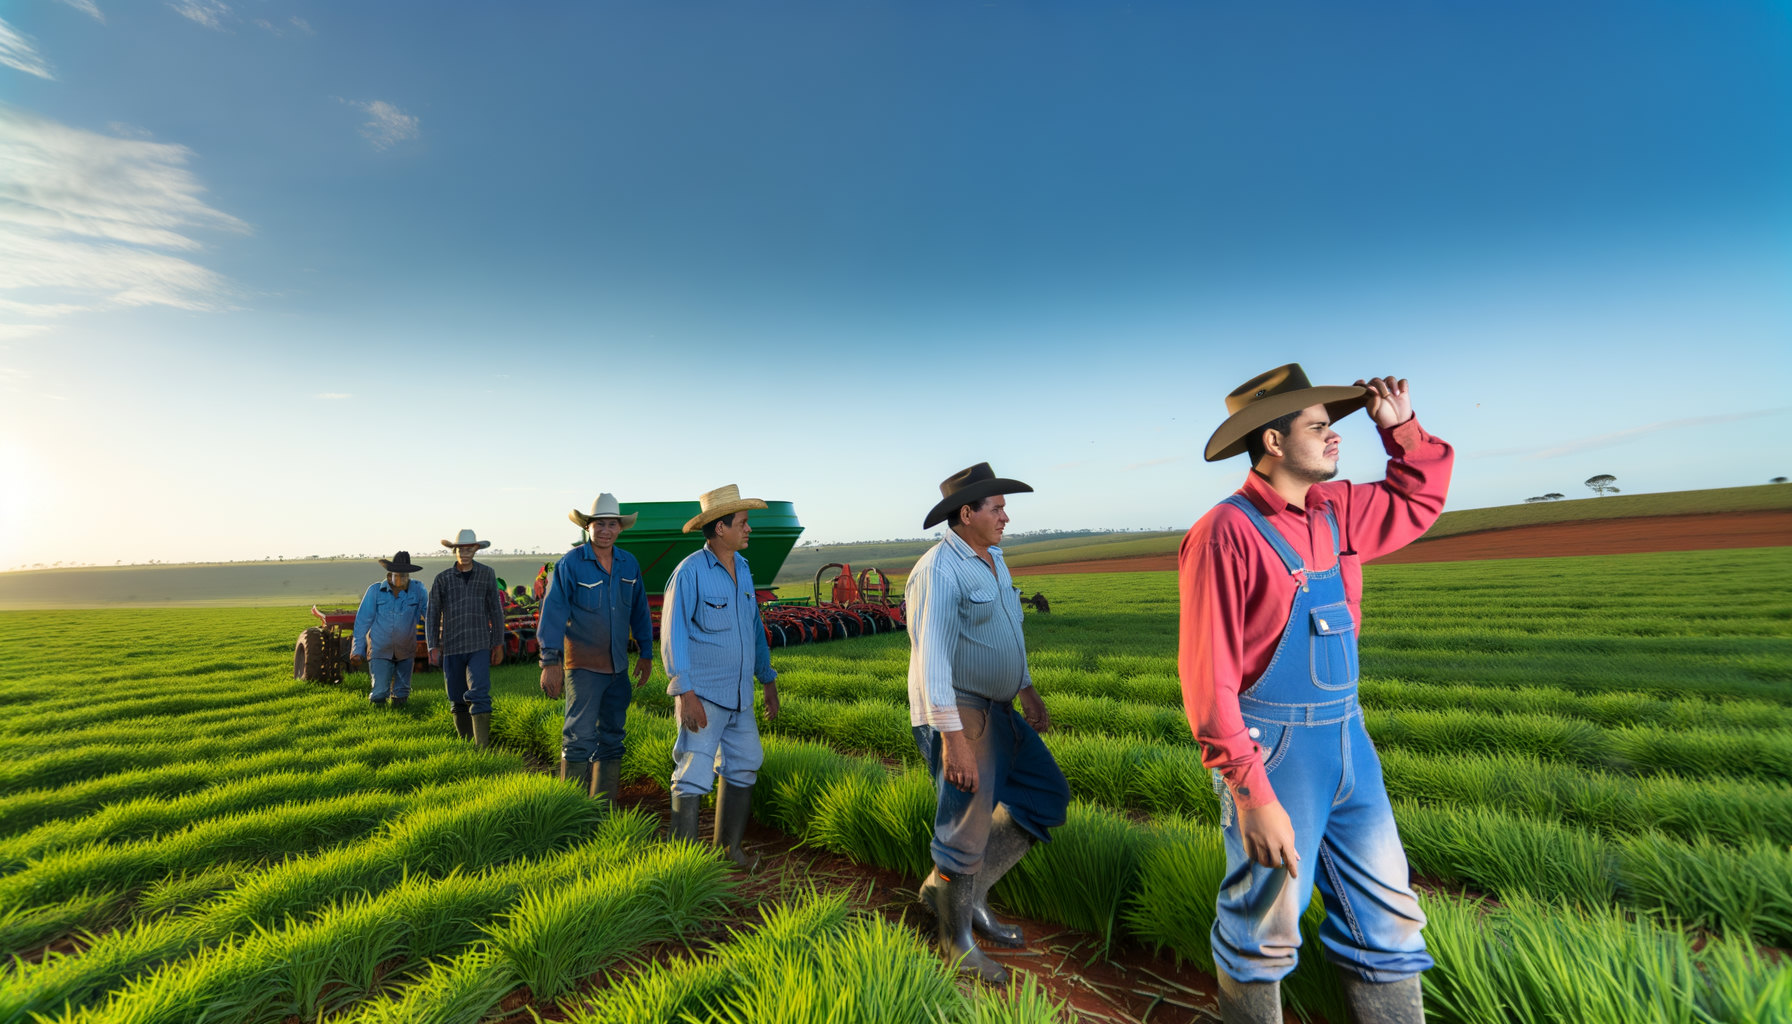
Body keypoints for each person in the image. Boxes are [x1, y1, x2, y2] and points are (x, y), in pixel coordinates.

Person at [1179, 366, 1452, 1024]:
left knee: (1387, 916)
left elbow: (1418, 501)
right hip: (1274, 750)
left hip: (1348, 739)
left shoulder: (1340, 509)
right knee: (1264, 923)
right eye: (1319, 427)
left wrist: (1401, 430)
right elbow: (1207, 677)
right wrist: (1251, 792)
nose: (1335, 439)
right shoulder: (1225, 532)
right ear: (1272, 442)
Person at [906, 463, 1070, 984]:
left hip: (999, 706)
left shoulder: (994, 559)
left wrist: (1026, 687)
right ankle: (955, 942)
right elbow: (930, 659)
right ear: (967, 513)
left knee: (1046, 795)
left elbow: (1008, 630)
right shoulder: (938, 570)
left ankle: (961, 895)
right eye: (996, 507)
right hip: (959, 710)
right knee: (964, 831)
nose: (1006, 515)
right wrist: (952, 739)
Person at [661, 484, 780, 869]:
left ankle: (731, 851)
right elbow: (673, 634)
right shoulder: (690, 572)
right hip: (705, 695)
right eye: (743, 523)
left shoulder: (743, 569)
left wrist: (768, 680)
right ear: (719, 528)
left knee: (746, 762)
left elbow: (753, 627)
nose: (749, 529)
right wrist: (685, 693)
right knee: (693, 772)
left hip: (740, 696)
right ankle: (684, 865)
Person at [537, 493, 654, 803]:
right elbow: (553, 613)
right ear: (587, 527)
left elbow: (640, 610)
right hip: (583, 667)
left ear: (620, 528)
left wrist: (646, 652)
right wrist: (550, 662)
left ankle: (602, 808)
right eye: (599, 524)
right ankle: (571, 812)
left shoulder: (629, 564)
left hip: (618, 667)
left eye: (612, 524)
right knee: (578, 738)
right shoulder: (570, 564)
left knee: (613, 737)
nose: (606, 530)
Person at [426, 529, 508, 747]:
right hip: (451, 645)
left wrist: (498, 642)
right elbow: (433, 613)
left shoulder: (487, 574)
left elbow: (495, 610)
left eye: (469, 548)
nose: (464, 552)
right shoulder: (442, 579)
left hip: (479, 643)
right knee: (456, 697)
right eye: (460, 548)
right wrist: (432, 645)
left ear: (476, 549)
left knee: (479, 692)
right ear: (454, 550)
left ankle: (482, 748)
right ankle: (466, 746)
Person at [348, 550, 427, 708]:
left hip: (406, 650)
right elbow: (362, 622)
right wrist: (357, 649)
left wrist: (433, 647)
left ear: (409, 575)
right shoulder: (375, 591)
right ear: (389, 573)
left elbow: (430, 616)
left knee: (402, 691)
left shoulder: (418, 590)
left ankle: (400, 718)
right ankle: (378, 717)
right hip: (380, 649)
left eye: (404, 575)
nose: (400, 579)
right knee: (379, 692)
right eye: (396, 574)